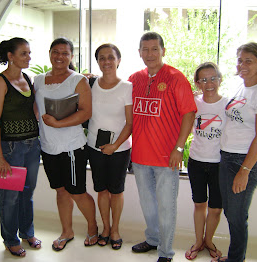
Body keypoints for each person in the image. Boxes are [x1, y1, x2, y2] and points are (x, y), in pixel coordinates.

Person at [129, 32, 197, 262]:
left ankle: (166, 253)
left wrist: (179, 149)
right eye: (145, 49)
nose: (150, 54)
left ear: (163, 51)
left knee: (167, 208)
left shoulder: (176, 78)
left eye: (154, 49)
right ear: (139, 53)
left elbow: (189, 113)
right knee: (148, 206)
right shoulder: (134, 79)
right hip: (139, 157)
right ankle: (153, 239)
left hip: (167, 158)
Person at [213, 42, 257, 262]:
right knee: (231, 213)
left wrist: (245, 170)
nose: (242, 65)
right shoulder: (239, 88)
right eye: (240, 60)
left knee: (237, 215)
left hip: (244, 162)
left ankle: (235, 259)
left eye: (248, 61)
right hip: (227, 156)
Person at [34, 37, 98, 251]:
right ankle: (67, 231)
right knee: (61, 191)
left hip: (71, 147)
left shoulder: (77, 79)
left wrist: (58, 123)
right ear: (50, 53)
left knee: (77, 191)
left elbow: (86, 112)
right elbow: (37, 105)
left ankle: (92, 228)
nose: (59, 57)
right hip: (47, 146)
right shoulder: (39, 79)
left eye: (65, 53)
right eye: (56, 52)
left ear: (71, 57)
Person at [0, 37, 41, 257]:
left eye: (29, 53)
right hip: (9, 148)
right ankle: (10, 239)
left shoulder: (27, 78)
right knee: (10, 196)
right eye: (24, 53)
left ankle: (27, 232)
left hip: (31, 145)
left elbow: (33, 111)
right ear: (10, 56)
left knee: (27, 193)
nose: (29, 57)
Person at [86, 43, 132, 250]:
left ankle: (115, 230)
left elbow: (130, 123)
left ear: (118, 60)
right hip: (94, 147)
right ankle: (105, 228)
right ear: (98, 62)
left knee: (116, 191)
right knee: (101, 190)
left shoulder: (127, 87)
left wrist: (115, 145)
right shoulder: (90, 84)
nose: (107, 61)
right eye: (102, 58)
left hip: (120, 149)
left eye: (111, 57)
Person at [185, 62, 227, 260]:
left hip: (220, 163)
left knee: (216, 208)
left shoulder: (228, 104)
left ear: (220, 79)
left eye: (213, 78)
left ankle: (209, 240)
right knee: (199, 205)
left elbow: (245, 129)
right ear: (197, 83)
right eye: (203, 79)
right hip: (197, 161)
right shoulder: (193, 102)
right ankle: (198, 241)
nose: (209, 83)